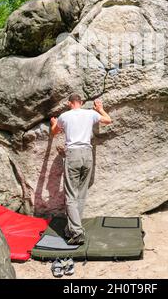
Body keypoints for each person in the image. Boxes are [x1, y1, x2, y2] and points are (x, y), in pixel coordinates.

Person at [50, 93, 112, 244]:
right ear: (81, 102)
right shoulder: (90, 113)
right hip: (87, 154)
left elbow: (54, 132)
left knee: (71, 195)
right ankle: (72, 229)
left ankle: (77, 233)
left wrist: (54, 122)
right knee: (81, 193)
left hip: (73, 154)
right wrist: (100, 109)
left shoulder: (65, 116)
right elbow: (108, 120)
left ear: (69, 103)